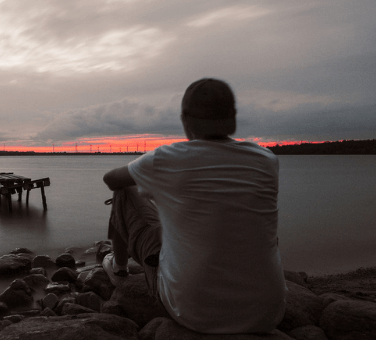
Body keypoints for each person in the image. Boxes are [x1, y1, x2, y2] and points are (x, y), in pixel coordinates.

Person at [102, 78, 286, 334]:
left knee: (123, 192)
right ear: (232, 118)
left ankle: (118, 269)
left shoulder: (167, 159)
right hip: (267, 312)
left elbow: (110, 179)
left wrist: (155, 189)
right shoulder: (266, 160)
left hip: (193, 310)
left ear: (185, 119)